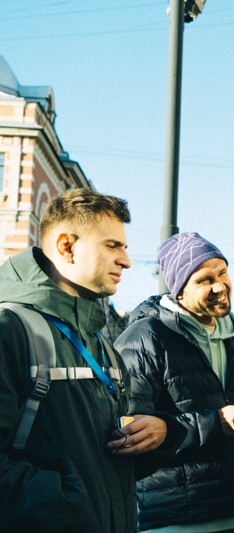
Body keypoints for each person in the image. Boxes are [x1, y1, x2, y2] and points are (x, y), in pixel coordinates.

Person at [0, 188, 169, 532]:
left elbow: (100, 461)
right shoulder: (10, 330)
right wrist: (57, 501)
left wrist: (154, 437)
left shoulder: (101, 344)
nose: (126, 260)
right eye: (112, 245)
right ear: (67, 246)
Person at [114, 232, 234, 532]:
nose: (220, 286)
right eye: (205, 280)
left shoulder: (233, 338)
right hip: (175, 521)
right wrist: (215, 422)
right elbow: (130, 434)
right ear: (179, 289)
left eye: (222, 273)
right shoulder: (144, 337)